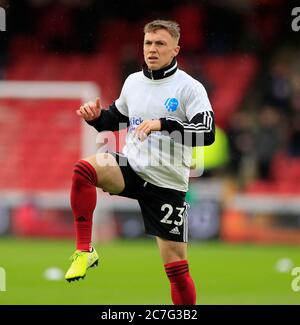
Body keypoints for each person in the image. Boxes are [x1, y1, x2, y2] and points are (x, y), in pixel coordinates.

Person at [65, 19, 215, 305]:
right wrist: (96, 118)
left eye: (160, 44)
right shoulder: (133, 81)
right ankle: (85, 249)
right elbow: (116, 118)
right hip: (132, 169)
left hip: (166, 184)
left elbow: (206, 134)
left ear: (176, 50)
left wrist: (163, 124)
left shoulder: (190, 88)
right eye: (148, 43)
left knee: (176, 270)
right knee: (83, 170)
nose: (152, 49)